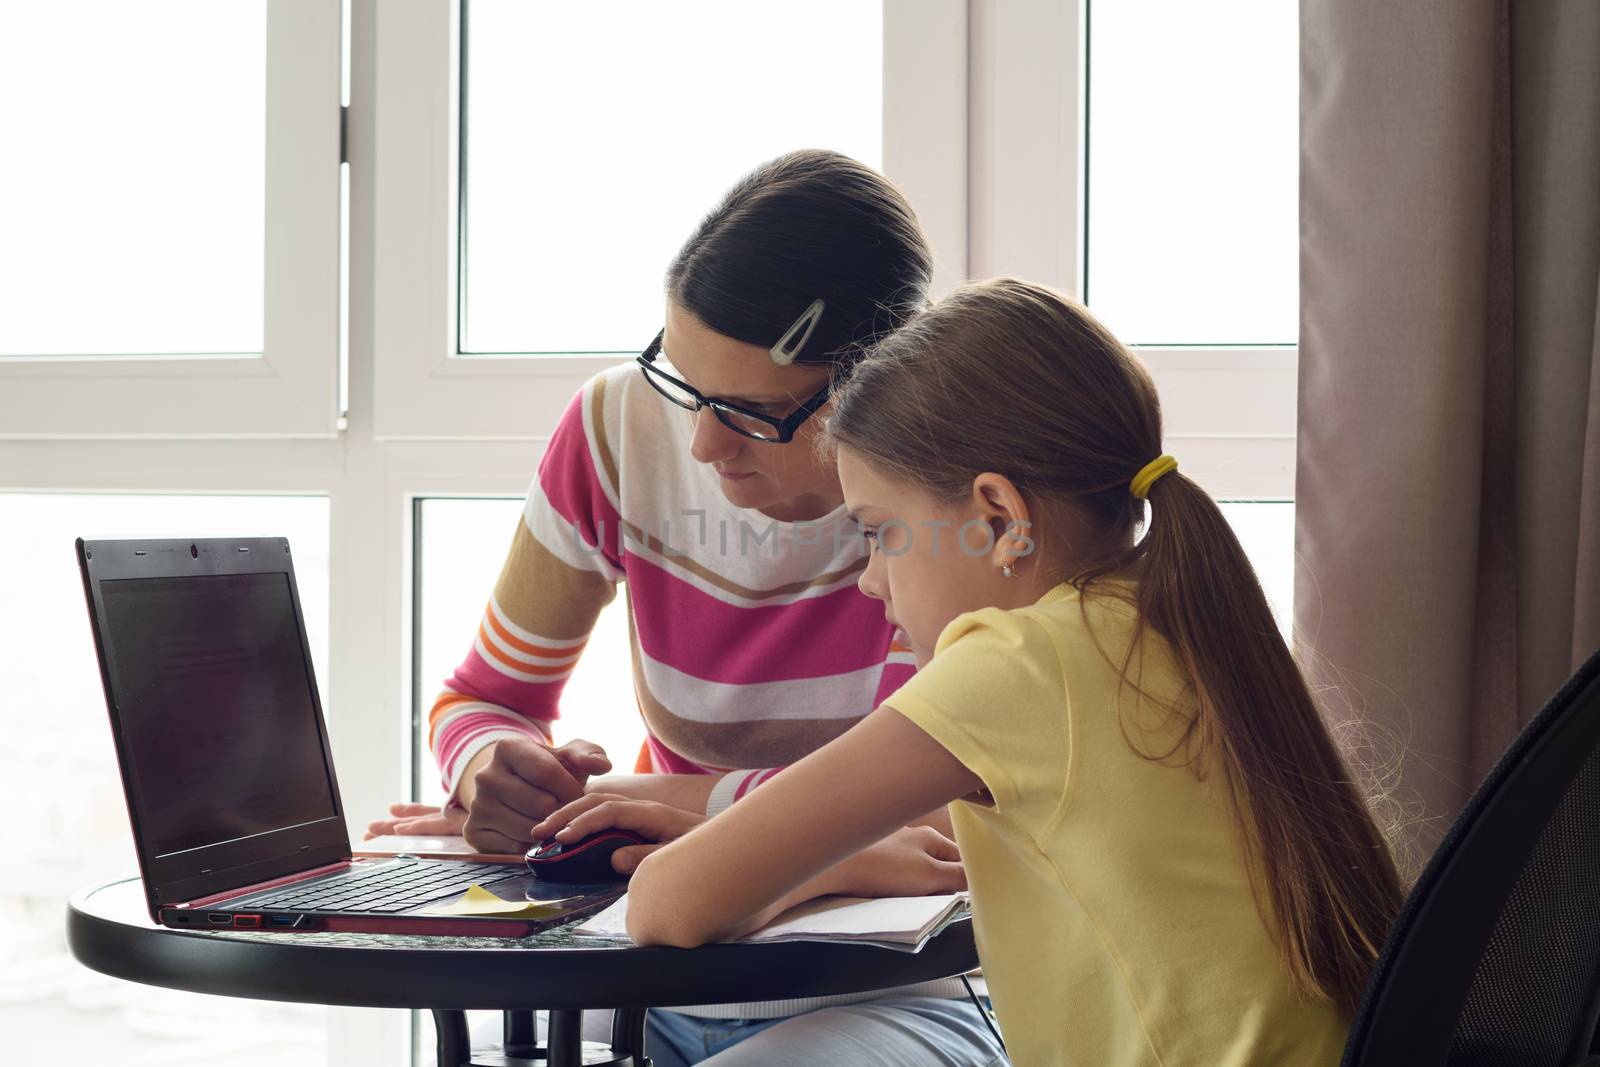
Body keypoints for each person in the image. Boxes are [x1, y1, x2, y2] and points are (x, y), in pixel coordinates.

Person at [541, 279, 1406, 1065]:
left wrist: (843, 864)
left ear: (999, 518)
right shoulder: (1162, 614)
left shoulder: (1020, 661)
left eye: (878, 530)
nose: (870, 577)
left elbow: (666, 902)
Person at [380, 151, 1006, 1066]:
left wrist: (634, 798)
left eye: (752, 412)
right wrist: (492, 772)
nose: (706, 442)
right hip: (657, 968)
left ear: (883, 387)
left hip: (906, 982)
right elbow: (480, 697)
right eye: (683, 385)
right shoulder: (615, 429)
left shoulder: (957, 506)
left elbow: (917, 823)